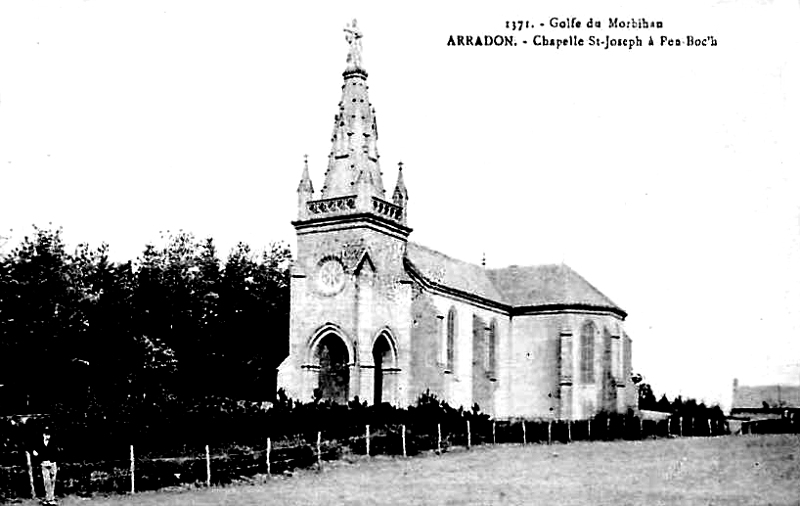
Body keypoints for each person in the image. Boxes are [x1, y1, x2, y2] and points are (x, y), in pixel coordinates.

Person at [32, 427, 58, 505]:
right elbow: (36, 452)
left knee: (53, 481)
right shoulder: (39, 443)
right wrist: (35, 453)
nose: (48, 436)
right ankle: (48, 499)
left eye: (49, 435)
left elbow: (56, 453)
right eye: (46, 435)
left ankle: (51, 498)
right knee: (47, 482)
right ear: (43, 435)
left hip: (52, 464)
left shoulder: (53, 442)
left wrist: (52, 461)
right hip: (44, 464)